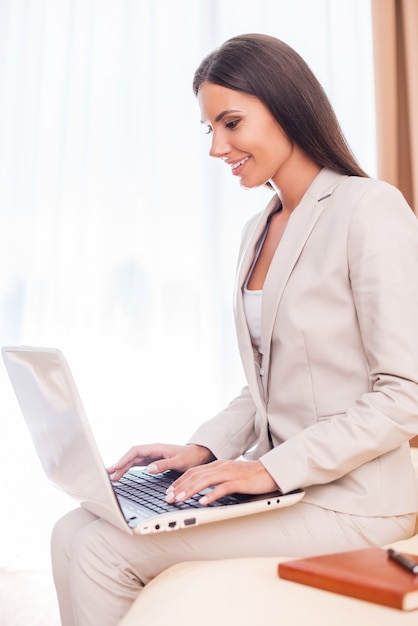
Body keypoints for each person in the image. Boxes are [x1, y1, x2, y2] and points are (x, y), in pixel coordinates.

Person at [51, 33, 418, 626]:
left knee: (103, 550)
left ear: (286, 107)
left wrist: (268, 468)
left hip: (354, 502)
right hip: (288, 490)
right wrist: (205, 448)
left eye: (231, 123)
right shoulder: (259, 228)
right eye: (209, 129)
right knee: (69, 530)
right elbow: (264, 386)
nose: (218, 147)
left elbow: (406, 394)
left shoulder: (369, 209)